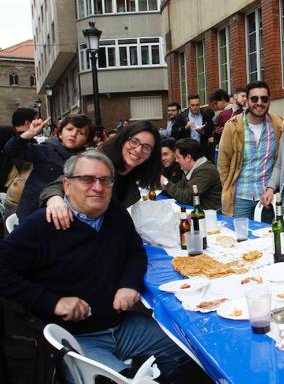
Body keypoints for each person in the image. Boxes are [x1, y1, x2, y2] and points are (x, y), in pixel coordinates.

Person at [0, 151, 201, 383]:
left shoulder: (115, 214)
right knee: (115, 379)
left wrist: (128, 284)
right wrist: (52, 302)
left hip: (122, 326)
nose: (98, 187)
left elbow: (135, 252)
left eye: (105, 180)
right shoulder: (41, 225)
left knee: (186, 350)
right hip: (77, 335)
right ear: (66, 185)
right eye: (87, 180)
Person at [41, 121, 162, 229]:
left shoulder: (132, 176)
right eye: (134, 141)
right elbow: (61, 183)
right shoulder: (99, 162)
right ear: (123, 140)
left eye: (146, 147)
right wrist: (55, 200)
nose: (138, 149)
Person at [5, 114, 92, 221]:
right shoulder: (46, 149)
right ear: (60, 134)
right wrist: (30, 133)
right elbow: (11, 150)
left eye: (81, 133)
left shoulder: (87, 161)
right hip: (32, 212)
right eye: (69, 129)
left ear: (87, 141)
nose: (73, 134)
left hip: (66, 216)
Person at [218, 80, 283, 218]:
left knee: (268, 237)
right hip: (240, 197)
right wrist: (228, 187)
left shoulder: (277, 124)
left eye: (264, 99)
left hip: (267, 197)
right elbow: (223, 163)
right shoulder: (233, 126)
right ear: (246, 101)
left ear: (269, 101)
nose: (259, 103)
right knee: (241, 237)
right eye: (254, 99)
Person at [161, 138, 221, 209]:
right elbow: (179, 189)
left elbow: (187, 197)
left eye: (178, 157)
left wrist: (165, 182)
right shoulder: (189, 169)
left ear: (188, 157)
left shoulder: (206, 171)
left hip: (211, 216)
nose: (176, 160)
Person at [211, 88, 246, 163]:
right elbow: (216, 133)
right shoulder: (222, 114)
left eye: (216, 103)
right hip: (222, 149)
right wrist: (216, 132)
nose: (216, 106)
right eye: (242, 96)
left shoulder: (243, 114)